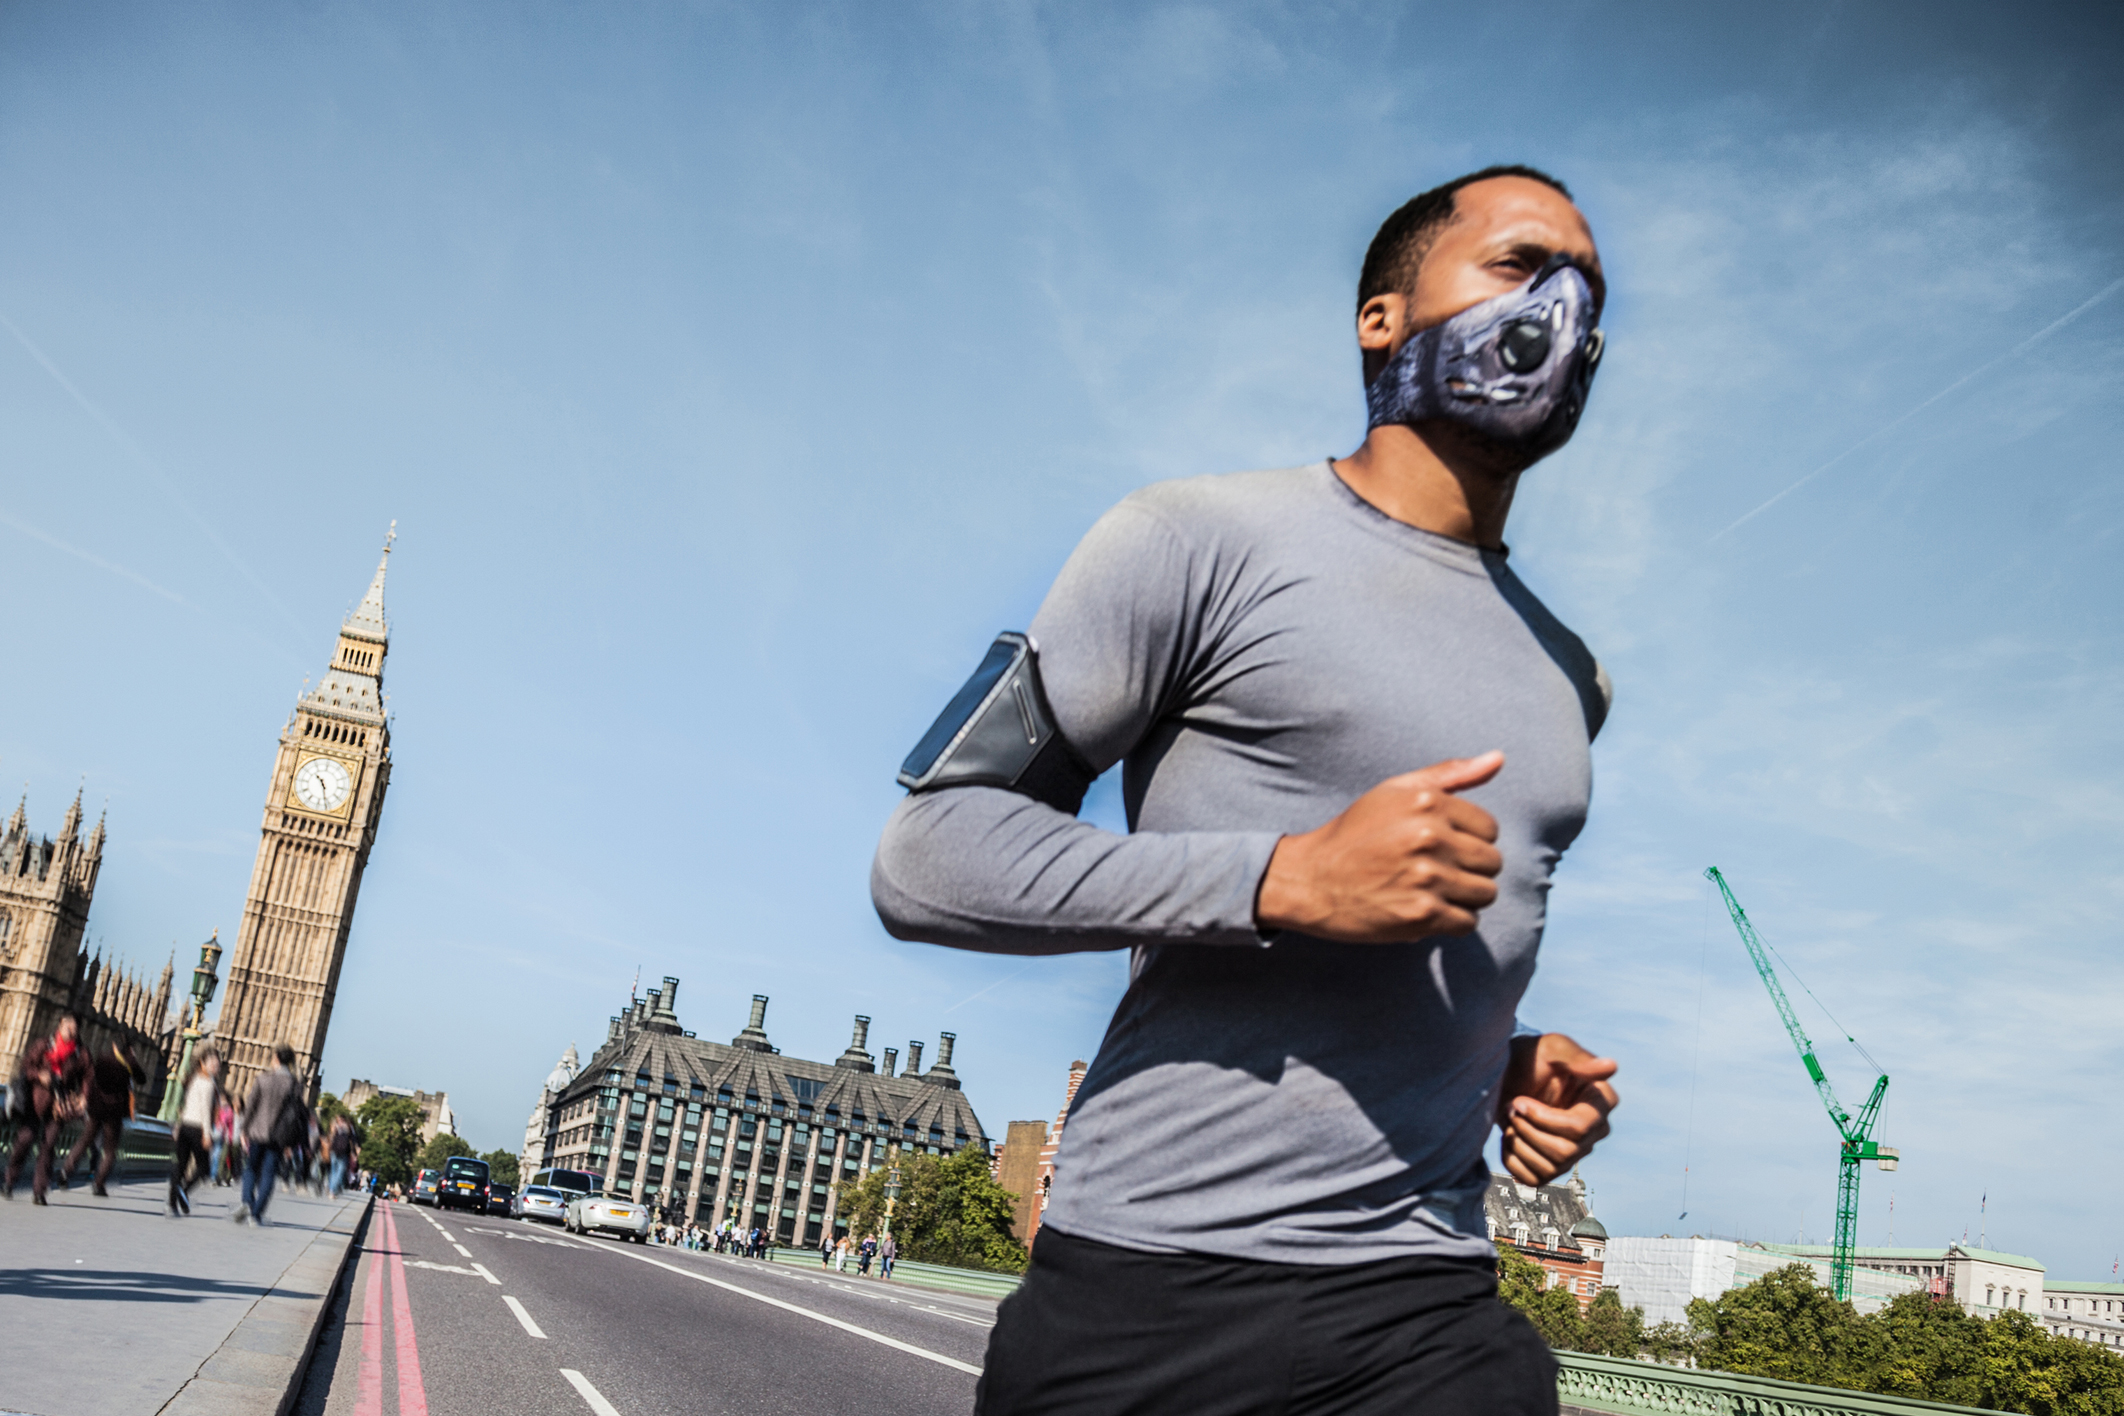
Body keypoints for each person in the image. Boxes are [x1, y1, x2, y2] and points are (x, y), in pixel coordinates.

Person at [873, 167, 1623, 1416]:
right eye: (1518, 263)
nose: (1564, 307)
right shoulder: (1193, 542)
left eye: (1589, 291)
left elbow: (1414, 953)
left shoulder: (1572, 677)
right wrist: (1283, 878)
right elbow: (926, 854)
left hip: (1426, 1300)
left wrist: (1497, 1058)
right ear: (1382, 316)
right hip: (1153, 1288)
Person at [4, 1015, 89, 1204]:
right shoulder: (44, 1044)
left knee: (49, 1146)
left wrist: (83, 1096)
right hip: (36, 1101)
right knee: (25, 1140)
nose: (71, 1032)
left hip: (59, 1106)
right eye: (68, 1028)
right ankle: (9, 1180)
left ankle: (39, 1191)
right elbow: (26, 1066)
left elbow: (87, 1076)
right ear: (60, 1025)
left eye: (74, 1029)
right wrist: (39, 1075)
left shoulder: (79, 1053)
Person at [63, 1041, 145, 1197]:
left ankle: (66, 1171)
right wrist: (132, 1060)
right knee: (110, 1151)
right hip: (114, 1112)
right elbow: (142, 1079)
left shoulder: (102, 1058)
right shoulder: (129, 1064)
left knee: (84, 1141)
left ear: (114, 1046)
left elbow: (94, 1080)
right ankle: (99, 1184)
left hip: (97, 1108)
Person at [235, 1044, 305, 1225]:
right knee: (268, 1174)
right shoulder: (294, 1085)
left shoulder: (263, 1079)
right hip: (279, 1136)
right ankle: (256, 1214)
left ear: (275, 1059)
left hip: (258, 1132)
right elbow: (297, 1114)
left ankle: (247, 1202)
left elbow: (251, 1107)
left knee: (250, 1169)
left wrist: (244, 1129)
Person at [170, 1050, 222, 1215]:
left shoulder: (194, 1079)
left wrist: (178, 1127)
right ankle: (183, 1191)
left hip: (185, 1126)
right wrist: (207, 1135)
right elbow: (205, 1111)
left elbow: (187, 1106)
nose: (216, 1067)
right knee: (204, 1168)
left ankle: (173, 1202)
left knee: (181, 1165)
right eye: (213, 1063)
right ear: (203, 1063)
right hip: (198, 1129)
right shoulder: (208, 1083)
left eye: (217, 1064)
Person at [326, 1112, 359, 1197]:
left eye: (340, 1120)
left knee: (339, 1171)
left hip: (342, 1153)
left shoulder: (346, 1128)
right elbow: (330, 1138)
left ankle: (332, 1189)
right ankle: (332, 1189)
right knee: (334, 1171)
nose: (340, 1122)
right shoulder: (337, 1128)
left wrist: (355, 1152)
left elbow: (353, 1140)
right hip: (336, 1152)